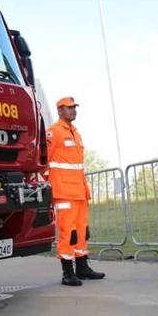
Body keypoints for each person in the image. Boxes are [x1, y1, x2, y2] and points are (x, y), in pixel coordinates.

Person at [46, 96, 106, 286]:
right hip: (64, 192)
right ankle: (67, 273)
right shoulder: (53, 132)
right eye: (69, 108)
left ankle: (82, 268)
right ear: (60, 111)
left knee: (82, 231)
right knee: (68, 232)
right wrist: (51, 184)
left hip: (79, 191)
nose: (73, 111)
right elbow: (43, 160)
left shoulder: (76, 133)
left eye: (74, 108)